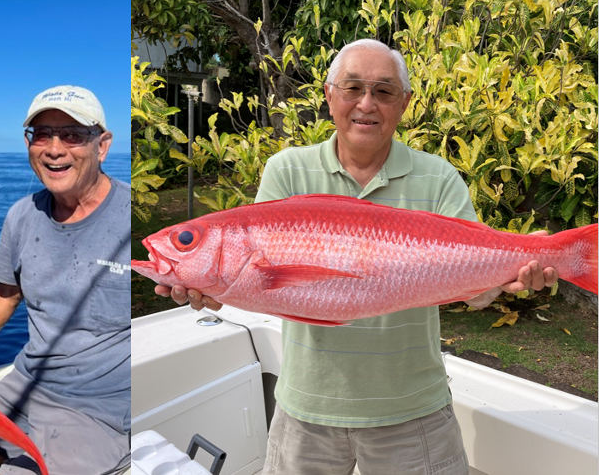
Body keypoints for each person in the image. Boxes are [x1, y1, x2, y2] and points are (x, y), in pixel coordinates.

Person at [156, 39, 557, 474]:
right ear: (329, 96)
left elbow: (474, 295)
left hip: (413, 411)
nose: (367, 103)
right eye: (352, 88)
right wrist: (214, 292)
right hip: (305, 411)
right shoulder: (285, 170)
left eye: (384, 91)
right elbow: (265, 288)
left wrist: (513, 272)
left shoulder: (438, 177)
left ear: (404, 103)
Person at [0, 85, 131, 475]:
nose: (54, 149)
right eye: (42, 135)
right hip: (28, 384)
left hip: (101, 410)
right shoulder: (21, 215)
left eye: (71, 135)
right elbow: (6, 292)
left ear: (102, 146)